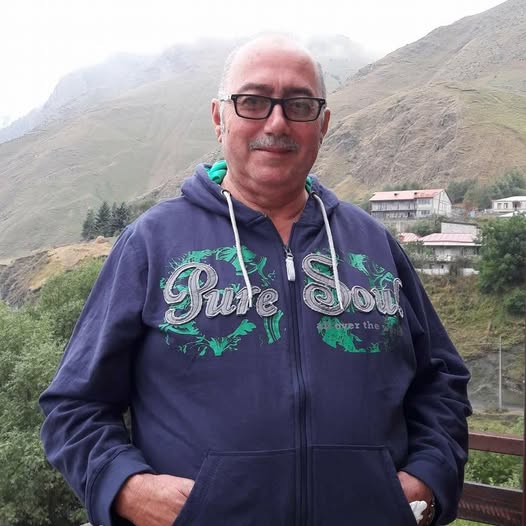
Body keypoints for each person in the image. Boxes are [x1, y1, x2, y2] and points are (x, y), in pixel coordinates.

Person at [40, 34, 471, 526]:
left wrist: (426, 483)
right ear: (219, 117)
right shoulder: (152, 244)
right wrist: (127, 488)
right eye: (253, 101)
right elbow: (74, 406)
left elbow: (441, 382)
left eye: (300, 104)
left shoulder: (372, 244)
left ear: (323, 123)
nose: (277, 122)